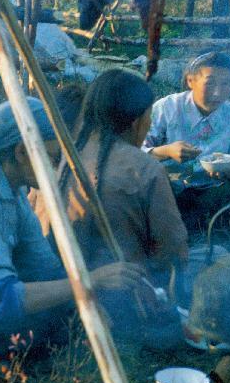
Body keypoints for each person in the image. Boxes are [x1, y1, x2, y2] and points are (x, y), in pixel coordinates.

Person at [0, 99, 145, 377]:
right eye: (53, 159)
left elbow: (45, 269)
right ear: (20, 152)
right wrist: (89, 282)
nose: (59, 168)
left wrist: (84, 303)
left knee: (63, 319)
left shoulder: (13, 190)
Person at [35, 71, 189, 346]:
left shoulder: (55, 158)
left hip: (50, 293)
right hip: (121, 305)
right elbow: (172, 250)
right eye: (149, 116)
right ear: (136, 121)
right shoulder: (145, 168)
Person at [142, 52, 230, 231]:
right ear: (190, 81)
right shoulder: (167, 108)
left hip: (211, 190)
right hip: (168, 190)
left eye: (226, 84)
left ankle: (216, 233)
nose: (217, 93)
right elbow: (134, 152)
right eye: (209, 83)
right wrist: (166, 151)